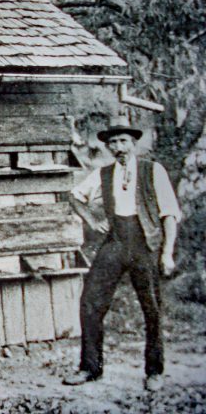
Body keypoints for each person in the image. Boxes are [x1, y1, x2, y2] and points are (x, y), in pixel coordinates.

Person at [63, 117, 180, 391]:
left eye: (124, 141)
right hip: (115, 242)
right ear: (108, 147)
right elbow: (74, 195)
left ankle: (154, 371)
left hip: (145, 244)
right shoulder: (103, 174)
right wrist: (92, 220)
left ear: (134, 144)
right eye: (113, 142)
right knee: (90, 302)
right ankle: (90, 368)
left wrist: (167, 253)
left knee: (152, 308)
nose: (119, 147)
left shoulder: (153, 170)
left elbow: (169, 214)